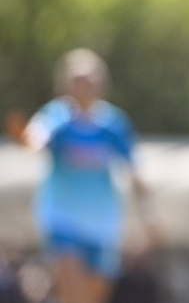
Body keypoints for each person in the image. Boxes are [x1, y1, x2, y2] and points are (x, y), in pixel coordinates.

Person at [4, 48, 159, 303]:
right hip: (63, 220)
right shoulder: (58, 118)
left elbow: (135, 171)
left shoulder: (113, 125)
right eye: (77, 80)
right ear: (65, 85)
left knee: (92, 297)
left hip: (102, 225)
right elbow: (37, 137)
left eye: (89, 80)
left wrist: (150, 215)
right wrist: (25, 140)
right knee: (72, 292)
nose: (84, 86)